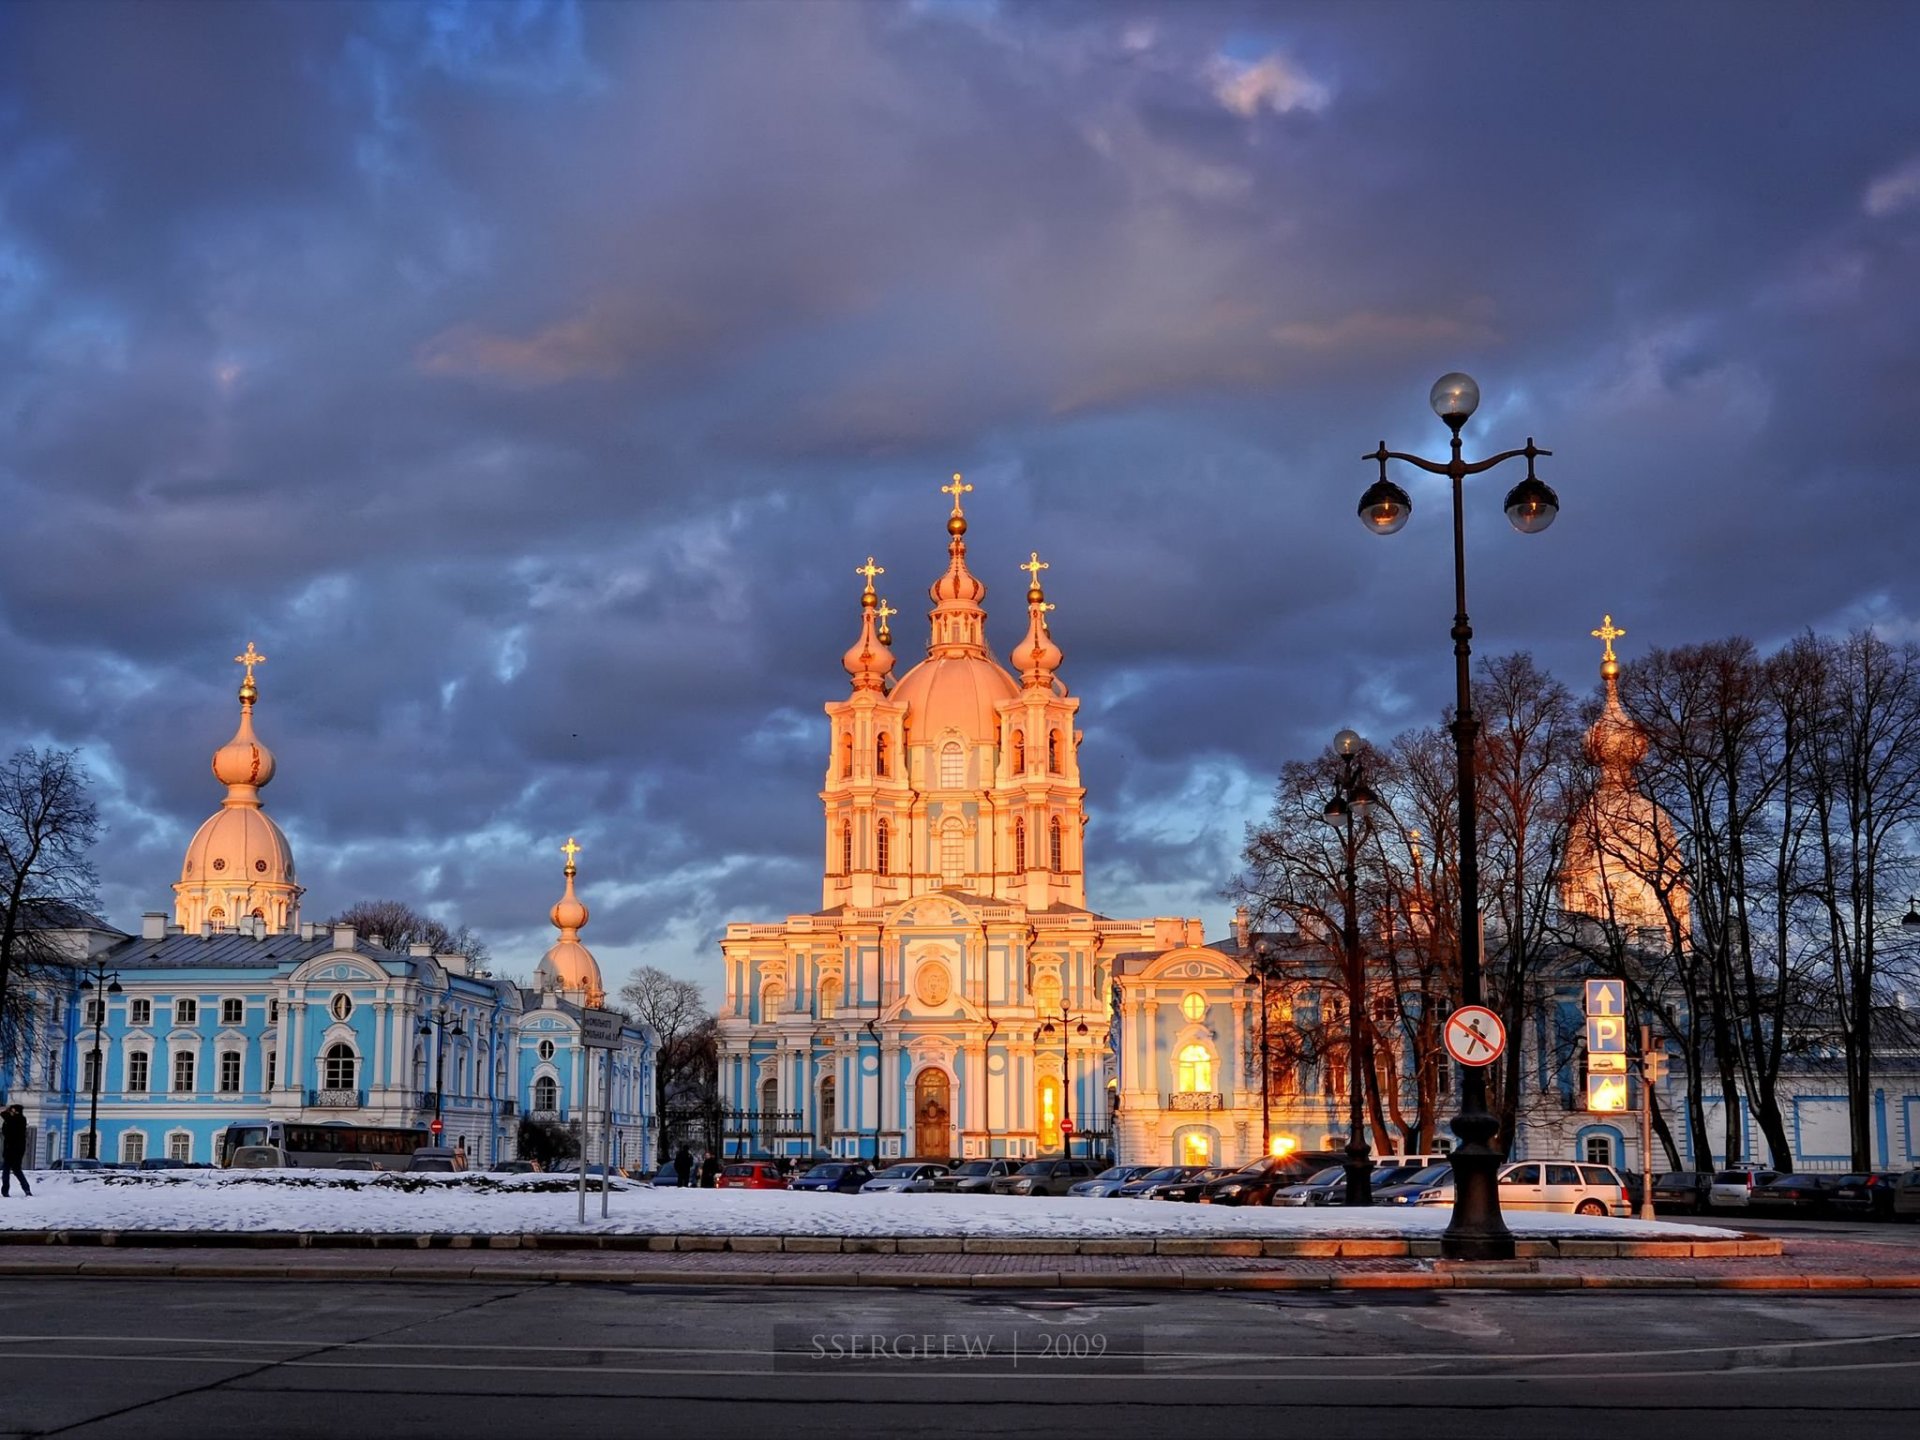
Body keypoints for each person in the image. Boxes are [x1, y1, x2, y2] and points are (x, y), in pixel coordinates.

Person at [2, 1103, 30, 1198]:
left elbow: (4, 1115)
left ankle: (5, 1191)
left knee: (7, 1170)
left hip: (11, 1149)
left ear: (16, 1111)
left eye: (12, 1110)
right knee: (17, 1170)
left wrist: (6, 1111)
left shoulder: (17, 1119)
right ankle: (26, 1189)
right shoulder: (20, 1119)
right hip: (18, 1149)